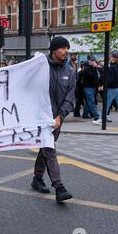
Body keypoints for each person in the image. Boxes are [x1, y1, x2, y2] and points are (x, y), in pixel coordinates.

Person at [32, 36, 74, 202]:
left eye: (67, 48)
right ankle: (59, 187)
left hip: (57, 119)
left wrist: (60, 116)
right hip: (40, 117)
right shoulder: (40, 67)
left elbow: (70, 97)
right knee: (49, 150)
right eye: (63, 48)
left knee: (45, 148)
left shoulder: (70, 72)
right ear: (53, 50)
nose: (66, 51)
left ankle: (37, 178)